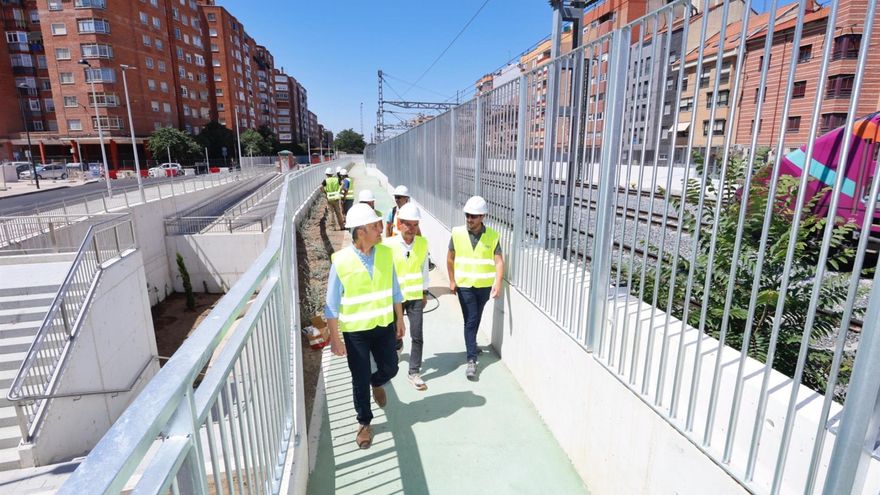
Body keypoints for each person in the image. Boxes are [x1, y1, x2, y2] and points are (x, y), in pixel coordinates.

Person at [325, 204, 407, 449]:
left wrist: (400, 319)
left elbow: (395, 290)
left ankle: (377, 382)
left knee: (391, 368)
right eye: (375, 226)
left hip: (384, 326)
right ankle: (364, 422)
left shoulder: (385, 253)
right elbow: (331, 305)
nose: (380, 230)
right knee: (358, 378)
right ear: (361, 232)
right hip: (356, 332)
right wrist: (335, 338)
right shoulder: (341, 262)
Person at [447, 195, 504, 381]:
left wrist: (498, 283)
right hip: (464, 285)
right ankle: (471, 359)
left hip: (484, 287)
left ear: (482, 217)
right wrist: (452, 281)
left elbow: (498, 261)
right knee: (471, 320)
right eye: (467, 215)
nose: (469, 219)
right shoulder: (457, 233)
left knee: (475, 317)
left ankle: (471, 344)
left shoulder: (492, 236)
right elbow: (450, 258)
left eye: (473, 216)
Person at [383, 203, 430, 391]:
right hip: (395, 298)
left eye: (415, 225)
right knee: (393, 333)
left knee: (417, 335)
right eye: (407, 224)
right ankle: (395, 350)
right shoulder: (388, 245)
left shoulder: (423, 243)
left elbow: (424, 269)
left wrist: (424, 292)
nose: (411, 229)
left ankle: (414, 372)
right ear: (399, 224)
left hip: (415, 297)